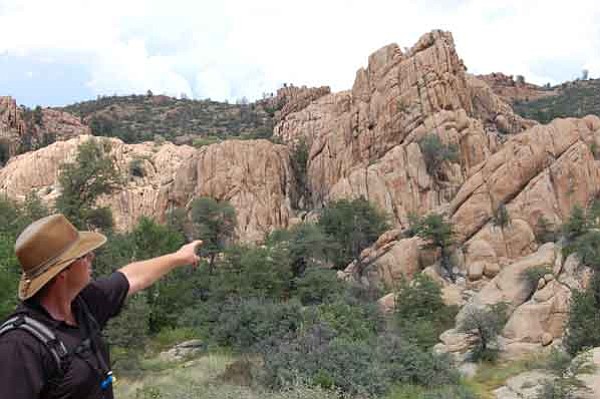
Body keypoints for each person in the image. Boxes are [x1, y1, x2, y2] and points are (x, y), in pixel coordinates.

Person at [0, 213, 202, 398]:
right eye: (83, 255)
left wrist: (179, 257)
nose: (91, 257)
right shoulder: (19, 345)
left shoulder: (84, 303)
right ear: (62, 271)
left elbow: (131, 276)